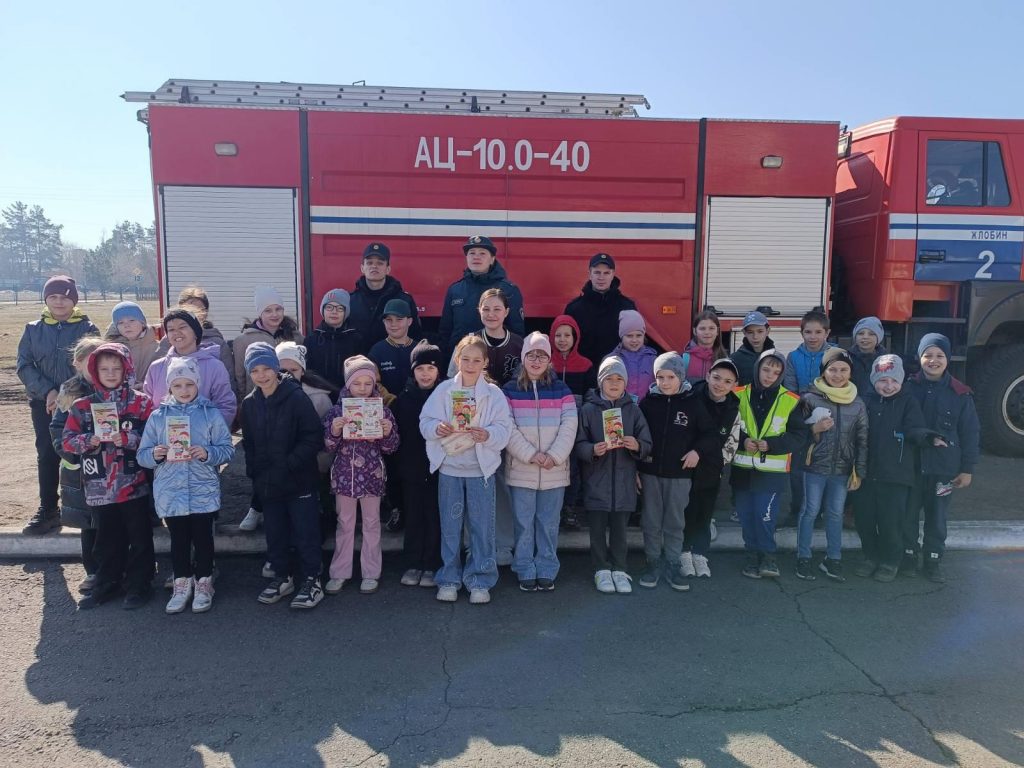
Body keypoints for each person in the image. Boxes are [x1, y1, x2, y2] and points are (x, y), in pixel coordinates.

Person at [420, 334, 514, 605]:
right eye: (465, 359)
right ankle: (449, 578)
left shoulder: (494, 394)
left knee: (482, 527)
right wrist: (436, 428)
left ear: (485, 363)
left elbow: (504, 428)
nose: (470, 365)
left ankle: (480, 579)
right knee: (450, 527)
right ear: (457, 360)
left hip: (480, 471)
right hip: (450, 469)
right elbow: (425, 421)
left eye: (476, 360)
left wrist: (488, 434)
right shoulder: (444, 390)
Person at [62, 343, 154, 610]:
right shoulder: (82, 406)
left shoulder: (141, 402)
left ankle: (139, 585)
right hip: (99, 486)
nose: (111, 374)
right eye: (105, 369)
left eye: (116, 368)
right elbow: (67, 440)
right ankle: (107, 582)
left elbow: (154, 437)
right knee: (106, 538)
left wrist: (128, 439)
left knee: (139, 537)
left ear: (126, 370)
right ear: (95, 371)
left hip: (134, 484)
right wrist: (88, 440)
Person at [138, 357, 235, 614]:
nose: (184, 390)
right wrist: (156, 454)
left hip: (203, 489)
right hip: (171, 491)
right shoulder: (158, 417)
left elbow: (227, 449)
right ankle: (181, 584)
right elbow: (142, 455)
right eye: (177, 385)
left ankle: (204, 583)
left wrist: (207, 453)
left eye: (189, 384)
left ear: (198, 384)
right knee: (178, 539)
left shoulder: (210, 414)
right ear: (169, 387)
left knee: (203, 539)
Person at [240, 342, 325, 609]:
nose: (262, 375)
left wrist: (289, 464)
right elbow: (248, 443)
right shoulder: (250, 404)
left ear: (277, 368)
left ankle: (312, 579)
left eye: (267, 368)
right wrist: (255, 472)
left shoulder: (296, 398)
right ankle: (282, 576)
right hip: (268, 483)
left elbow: (313, 438)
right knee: (275, 533)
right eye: (255, 370)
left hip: (299, 480)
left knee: (306, 531)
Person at [17, 275, 100, 535]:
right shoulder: (33, 329)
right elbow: (24, 365)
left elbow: (92, 365)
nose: (59, 302)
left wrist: (66, 394)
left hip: (78, 404)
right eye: (53, 297)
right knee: (47, 453)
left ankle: (88, 506)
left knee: (83, 452)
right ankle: (49, 509)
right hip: (44, 404)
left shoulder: (87, 327)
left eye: (64, 297)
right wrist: (49, 391)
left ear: (73, 300)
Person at [502, 332, 578, 592]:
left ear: (549, 360)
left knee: (548, 523)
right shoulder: (509, 390)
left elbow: (569, 425)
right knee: (523, 524)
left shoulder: (562, 390)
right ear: (523, 358)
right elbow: (507, 427)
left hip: (554, 470)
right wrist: (530, 454)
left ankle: (546, 567)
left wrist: (554, 455)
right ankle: (524, 567)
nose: (536, 360)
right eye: (531, 355)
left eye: (542, 355)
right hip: (522, 469)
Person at [903, 333, 980, 583]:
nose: (933, 360)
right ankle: (908, 555)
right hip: (912, 467)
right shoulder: (907, 388)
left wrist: (967, 469)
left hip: (943, 470)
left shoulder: (960, 394)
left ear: (947, 359)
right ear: (919, 358)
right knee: (908, 515)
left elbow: (970, 433)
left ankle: (933, 560)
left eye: (939, 355)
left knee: (937, 517)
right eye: (928, 355)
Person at [638, 352, 717, 591]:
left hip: (680, 475)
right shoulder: (647, 403)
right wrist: (636, 469)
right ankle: (653, 562)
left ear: (680, 377)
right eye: (660, 377)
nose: (665, 383)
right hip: (650, 473)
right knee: (651, 521)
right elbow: (638, 436)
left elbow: (710, 434)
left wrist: (697, 452)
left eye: (670, 377)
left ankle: (672, 563)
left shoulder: (693, 403)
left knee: (674, 522)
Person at [323, 356, 400, 596]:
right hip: (344, 478)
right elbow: (327, 446)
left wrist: (387, 432)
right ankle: (339, 572)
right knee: (344, 524)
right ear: (348, 384)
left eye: (368, 383)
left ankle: (371, 573)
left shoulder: (383, 411)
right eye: (357, 383)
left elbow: (391, 448)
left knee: (372, 523)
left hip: (372, 477)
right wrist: (334, 430)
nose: (363, 389)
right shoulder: (336, 411)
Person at [575, 356, 652, 595]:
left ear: (626, 383)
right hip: (596, 482)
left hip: (624, 483)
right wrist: (592, 450)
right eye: (609, 379)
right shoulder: (588, 410)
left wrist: (637, 445)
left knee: (620, 530)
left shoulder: (633, 410)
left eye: (619, 379)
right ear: (601, 381)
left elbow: (647, 442)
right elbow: (578, 443)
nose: (615, 383)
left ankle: (620, 568)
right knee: (597, 531)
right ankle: (601, 568)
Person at [730, 350, 807, 579]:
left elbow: (799, 435)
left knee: (764, 517)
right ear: (757, 369)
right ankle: (751, 555)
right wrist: (743, 440)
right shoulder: (738, 394)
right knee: (746, 516)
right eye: (766, 369)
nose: (769, 375)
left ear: (781, 374)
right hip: (742, 470)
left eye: (776, 372)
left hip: (772, 473)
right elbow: (727, 425)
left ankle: (768, 556)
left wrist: (771, 445)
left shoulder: (791, 400)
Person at [794, 348, 868, 582]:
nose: (838, 375)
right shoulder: (809, 398)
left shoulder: (857, 403)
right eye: (832, 370)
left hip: (843, 469)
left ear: (850, 373)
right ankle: (803, 557)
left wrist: (859, 472)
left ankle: (833, 558)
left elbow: (863, 439)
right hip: (814, 467)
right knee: (810, 511)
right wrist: (813, 429)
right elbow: (794, 432)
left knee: (835, 513)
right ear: (823, 372)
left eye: (843, 370)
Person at [855, 355, 930, 582]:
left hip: (895, 475)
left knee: (891, 522)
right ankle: (870, 556)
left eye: (894, 381)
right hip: (866, 473)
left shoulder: (908, 402)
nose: (888, 386)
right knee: (865, 520)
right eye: (882, 380)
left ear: (901, 381)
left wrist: (926, 437)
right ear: (873, 380)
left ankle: (891, 560)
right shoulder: (864, 401)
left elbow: (915, 428)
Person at [49, 335, 104, 594]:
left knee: (112, 520)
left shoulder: (114, 387)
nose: (95, 366)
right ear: (78, 363)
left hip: (111, 468)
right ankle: (92, 570)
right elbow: (57, 428)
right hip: (82, 469)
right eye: (89, 361)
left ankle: (116, 567)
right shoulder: (69, 391)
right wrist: (72, 454)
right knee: (88, 522)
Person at [682, 359, 740, 579]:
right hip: (686, 466)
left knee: (705, 513)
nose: (720, 384)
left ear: (734, 385)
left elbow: (732, 441)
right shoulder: (691, 398)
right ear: (707, 376)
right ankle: (684, 552)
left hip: (712, 469)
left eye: (727, 381)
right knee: (687, 511)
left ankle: (699, 553)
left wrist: (717, 463)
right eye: (716, 378)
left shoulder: (733, 408)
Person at [393, 342, 445, 588]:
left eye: (431, 368)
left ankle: (433, 564)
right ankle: (413, 563)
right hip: (411, 470)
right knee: (414, 517)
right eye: (420, 368)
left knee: (435, 517)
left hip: (439, 469)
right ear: (412, 371)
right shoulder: (402, 400)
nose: (425, 374)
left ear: (439, 370)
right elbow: (397, 440)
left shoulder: (447, 398)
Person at [781, 309, 836, 526]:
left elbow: (838, 385)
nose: (813, 337)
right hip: (801, 418)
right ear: (801, 333)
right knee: (797, 468)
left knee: (823, 467)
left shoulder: (835, 355)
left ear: (827, 333)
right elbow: (790, 389)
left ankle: (820, 513)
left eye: (818, 332)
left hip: (829, 417)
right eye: (808, 332)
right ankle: (797, 511)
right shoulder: (793, 357)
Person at [144, 309, 237, 428]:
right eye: (171, 329)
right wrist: (157, 431)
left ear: (196, 332)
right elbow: (147, 406)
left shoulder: (214, 366)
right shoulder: (156, 367)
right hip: (163, 437)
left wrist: (209, 432)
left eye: (182, 327)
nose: (176, 332)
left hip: (204, 437)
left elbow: (225, 406)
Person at [438, 235, 525, 356]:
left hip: (496, 359)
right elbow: (445, 331)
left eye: (482, 253)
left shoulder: (508, 290)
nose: (476, 257)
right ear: (467, 258)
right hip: (462, 359)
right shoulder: (455, 290)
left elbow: (517, 332)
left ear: (492, 259)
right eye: (472, 253)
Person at [563, 252, 638, 366]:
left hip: (617, 371)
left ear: (613, 275)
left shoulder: (627, 308)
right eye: (597, 272)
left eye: (606, 273)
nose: (601, 277)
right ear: (590, 274)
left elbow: (636, 344)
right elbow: (566, 345)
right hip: (584, 372)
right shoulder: (574, 309)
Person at [348, 242, 422, 354]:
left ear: (388, 269)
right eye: (369, 263)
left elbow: (415, 336)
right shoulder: (350, 301)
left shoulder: (404, 300)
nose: (374, 266)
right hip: (359, 362)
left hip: (394, 361)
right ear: (362, 268)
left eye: (380, 263)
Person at [156, 285, 236, 386]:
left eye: (199, 310)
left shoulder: (218, 344)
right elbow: (156, 377)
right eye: (188, 310)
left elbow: (229, 382)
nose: (195, 314)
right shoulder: (166, 343)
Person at [234, 287, 302, 400]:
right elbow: (239, 376)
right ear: (260, 313)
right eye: (268, 311)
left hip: (290, 399)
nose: (274, 314)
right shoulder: (243, 340)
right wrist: (242, 401)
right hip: (257, 401)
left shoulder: (296, 337)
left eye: (278, 309)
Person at [448, 288, 524, 386]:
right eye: (486, 309)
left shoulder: (519, 344)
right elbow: (452, 378)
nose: (491, 314)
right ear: (479, 311)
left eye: (497, 309)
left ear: (506, 312)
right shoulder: (467, 342)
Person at [304, 288, 363, 390]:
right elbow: (307, 371)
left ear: (346, 312)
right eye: (329, 307)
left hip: (349, 393)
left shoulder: (356, 339)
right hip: (319, 393)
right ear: (323, 310)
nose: (334, 312)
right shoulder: (311, 339)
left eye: (340, 308)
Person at [369, 298, 420, 395]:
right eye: (389, 320)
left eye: (399, 319)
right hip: (386, 403)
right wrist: (390, 400)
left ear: (409, 321)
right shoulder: (377, 350)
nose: (393, 324)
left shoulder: (420, 349)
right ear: (384, 322)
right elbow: (373, 381)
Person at [104, 301, 162, 386]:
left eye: (132, 320)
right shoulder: (111, 350)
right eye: (121, 322)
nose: (126, 325)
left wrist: (146, 386)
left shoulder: (158, 349)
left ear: (143, 323)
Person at [612, 310, 657, 402]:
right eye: (629, 336)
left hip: (646, 407)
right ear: (622, 336)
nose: (634, 340)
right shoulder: (613, 359)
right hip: (621, 407)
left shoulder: (653, 359)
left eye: (638, 335)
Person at [549, 314, 596, 397]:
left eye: (567, 335)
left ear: (574, 337)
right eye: (558, 335)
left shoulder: (586, 365)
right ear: (552, 337)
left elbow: (591, 397)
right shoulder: (546, 363)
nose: (562, 339)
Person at [730, 310, 775, 387]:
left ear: (767, 331)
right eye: (750, 332)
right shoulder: (735, 359)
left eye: (760, 331)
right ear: (744, 332)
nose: (755, 337)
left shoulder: (776, 358)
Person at [682, 310, 728, 384]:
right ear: (694, 331)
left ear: (717, 331)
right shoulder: (684, 358)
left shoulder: (724, 359)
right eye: (702, 328)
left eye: (711, 328)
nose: (707, 332)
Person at [849, 316, 886, 397]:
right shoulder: (845, 358)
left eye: (871, 334)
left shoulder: (886, 361)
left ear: (879, 337)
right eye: (861, 333)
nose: (865, 337)